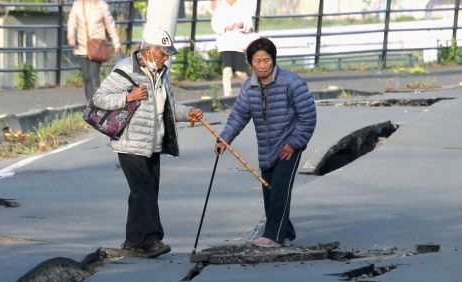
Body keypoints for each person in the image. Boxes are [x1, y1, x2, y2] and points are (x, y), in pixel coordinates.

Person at [92, 26, 203, 258]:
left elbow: (169, 109)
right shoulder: (125, 70)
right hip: (130, 143)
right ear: (149, 51)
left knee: (142, 192)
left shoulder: (161, 74)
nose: (166, 58)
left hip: (153, 143)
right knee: (145, 191)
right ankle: (152, 239)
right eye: (163, 53)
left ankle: (133, 241)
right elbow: (99, 99)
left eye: (168, 54)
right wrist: (128, 97)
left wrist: (188, 112)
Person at [214, 38, 316, 248]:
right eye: (257, 61)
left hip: (289, 146)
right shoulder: (249, 88)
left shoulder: (291, 82)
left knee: (279, 187)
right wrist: (224, 139)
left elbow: (308, 117)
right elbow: (238, 117)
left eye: (266, 60)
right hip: (266, 148)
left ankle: (274, 236)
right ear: (250, 63)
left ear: (273, 60)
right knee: (269, 189)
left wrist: (295, 143)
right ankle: (285, 231)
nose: (262, 65)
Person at [67, 0, 121, 101]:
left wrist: (116, 43)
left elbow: (110, 25)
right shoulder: (77, 5)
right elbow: (72, 22)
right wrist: (71, 36)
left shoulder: (101, 5)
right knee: (86, 77)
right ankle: (89, 102)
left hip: (97, 47)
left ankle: (96, 103)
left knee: (93, 76)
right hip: (81, 46)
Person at [211, 0, 255, 97]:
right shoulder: (220, 7)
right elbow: (214, 24)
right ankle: (227, 94)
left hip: (239, 44)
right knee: (227, 70)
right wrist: (225, 27)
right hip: (225, 43)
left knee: (240, 72)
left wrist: (242, 25)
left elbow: (249, 24)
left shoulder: (242, 6)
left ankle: (250, 91)